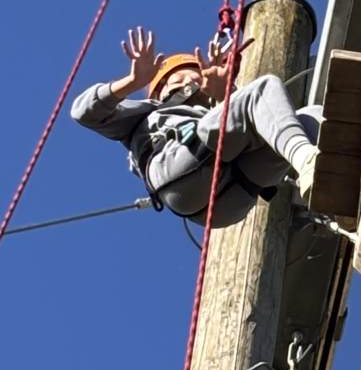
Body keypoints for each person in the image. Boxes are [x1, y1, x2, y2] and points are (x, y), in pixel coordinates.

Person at [71, 27, 321, 225]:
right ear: (158, 93)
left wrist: (224, 93)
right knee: (263, 88)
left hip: (233, 198)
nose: (184, 82)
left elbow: (244, 117)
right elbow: (83, 112)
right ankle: (307, 160)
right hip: (180, 168)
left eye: (191, 75)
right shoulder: (148, 113)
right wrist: (132, 82)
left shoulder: (214, 111)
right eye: (174, 79)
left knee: (313, 117)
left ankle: (329, 181)